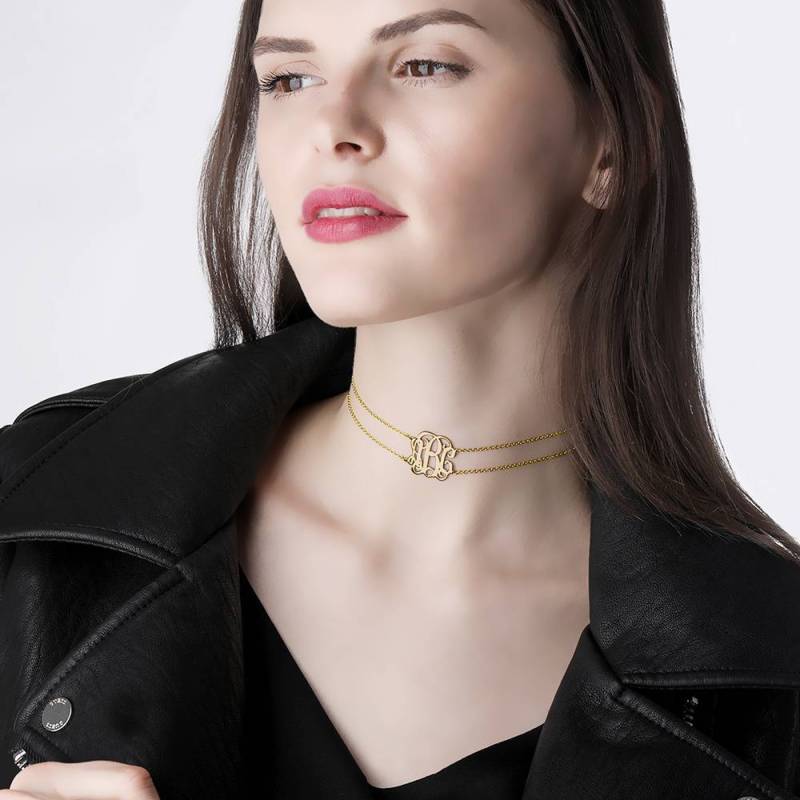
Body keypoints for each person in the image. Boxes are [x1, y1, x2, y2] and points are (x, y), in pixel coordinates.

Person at [1, 1, 798, 799]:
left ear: (612, 142)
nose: (333, 126)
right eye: (289, 78)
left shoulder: (772, 679)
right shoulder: (35, 518)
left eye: (425, 65)